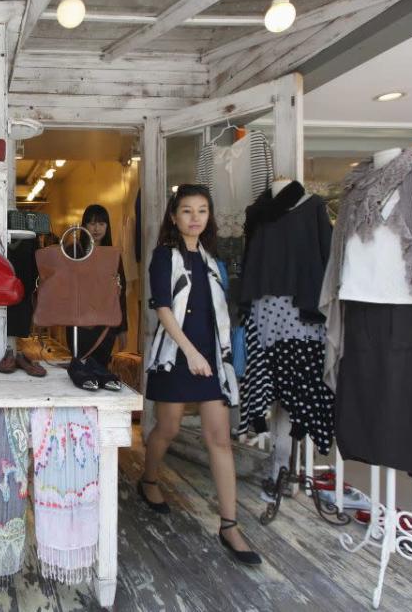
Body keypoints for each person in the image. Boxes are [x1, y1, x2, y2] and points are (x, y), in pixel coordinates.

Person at [142, 184, 261, 566]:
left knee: (219, 439)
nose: (195, 218)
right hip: (176, 356)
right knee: (169, 429)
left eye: (202, 211)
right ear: (174, 217)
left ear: (209, 217)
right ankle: (148, 479)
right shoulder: (165, 256)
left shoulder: (212, 261)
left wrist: (215, 357)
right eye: (187, 211)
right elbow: (163, 308)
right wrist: (190, 353)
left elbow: (217, 314)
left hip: (212, 359)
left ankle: (229, 525)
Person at [63, 204, 127, 366]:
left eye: (101, 223)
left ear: (107, 226)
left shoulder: (113, 256)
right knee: (81, 368)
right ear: (84, 225)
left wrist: (122, 329)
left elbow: (120, 293)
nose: (96, 228)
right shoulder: (74, 252)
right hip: (79, 323)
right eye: (92, 223)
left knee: (101, 367)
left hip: (105, 325)